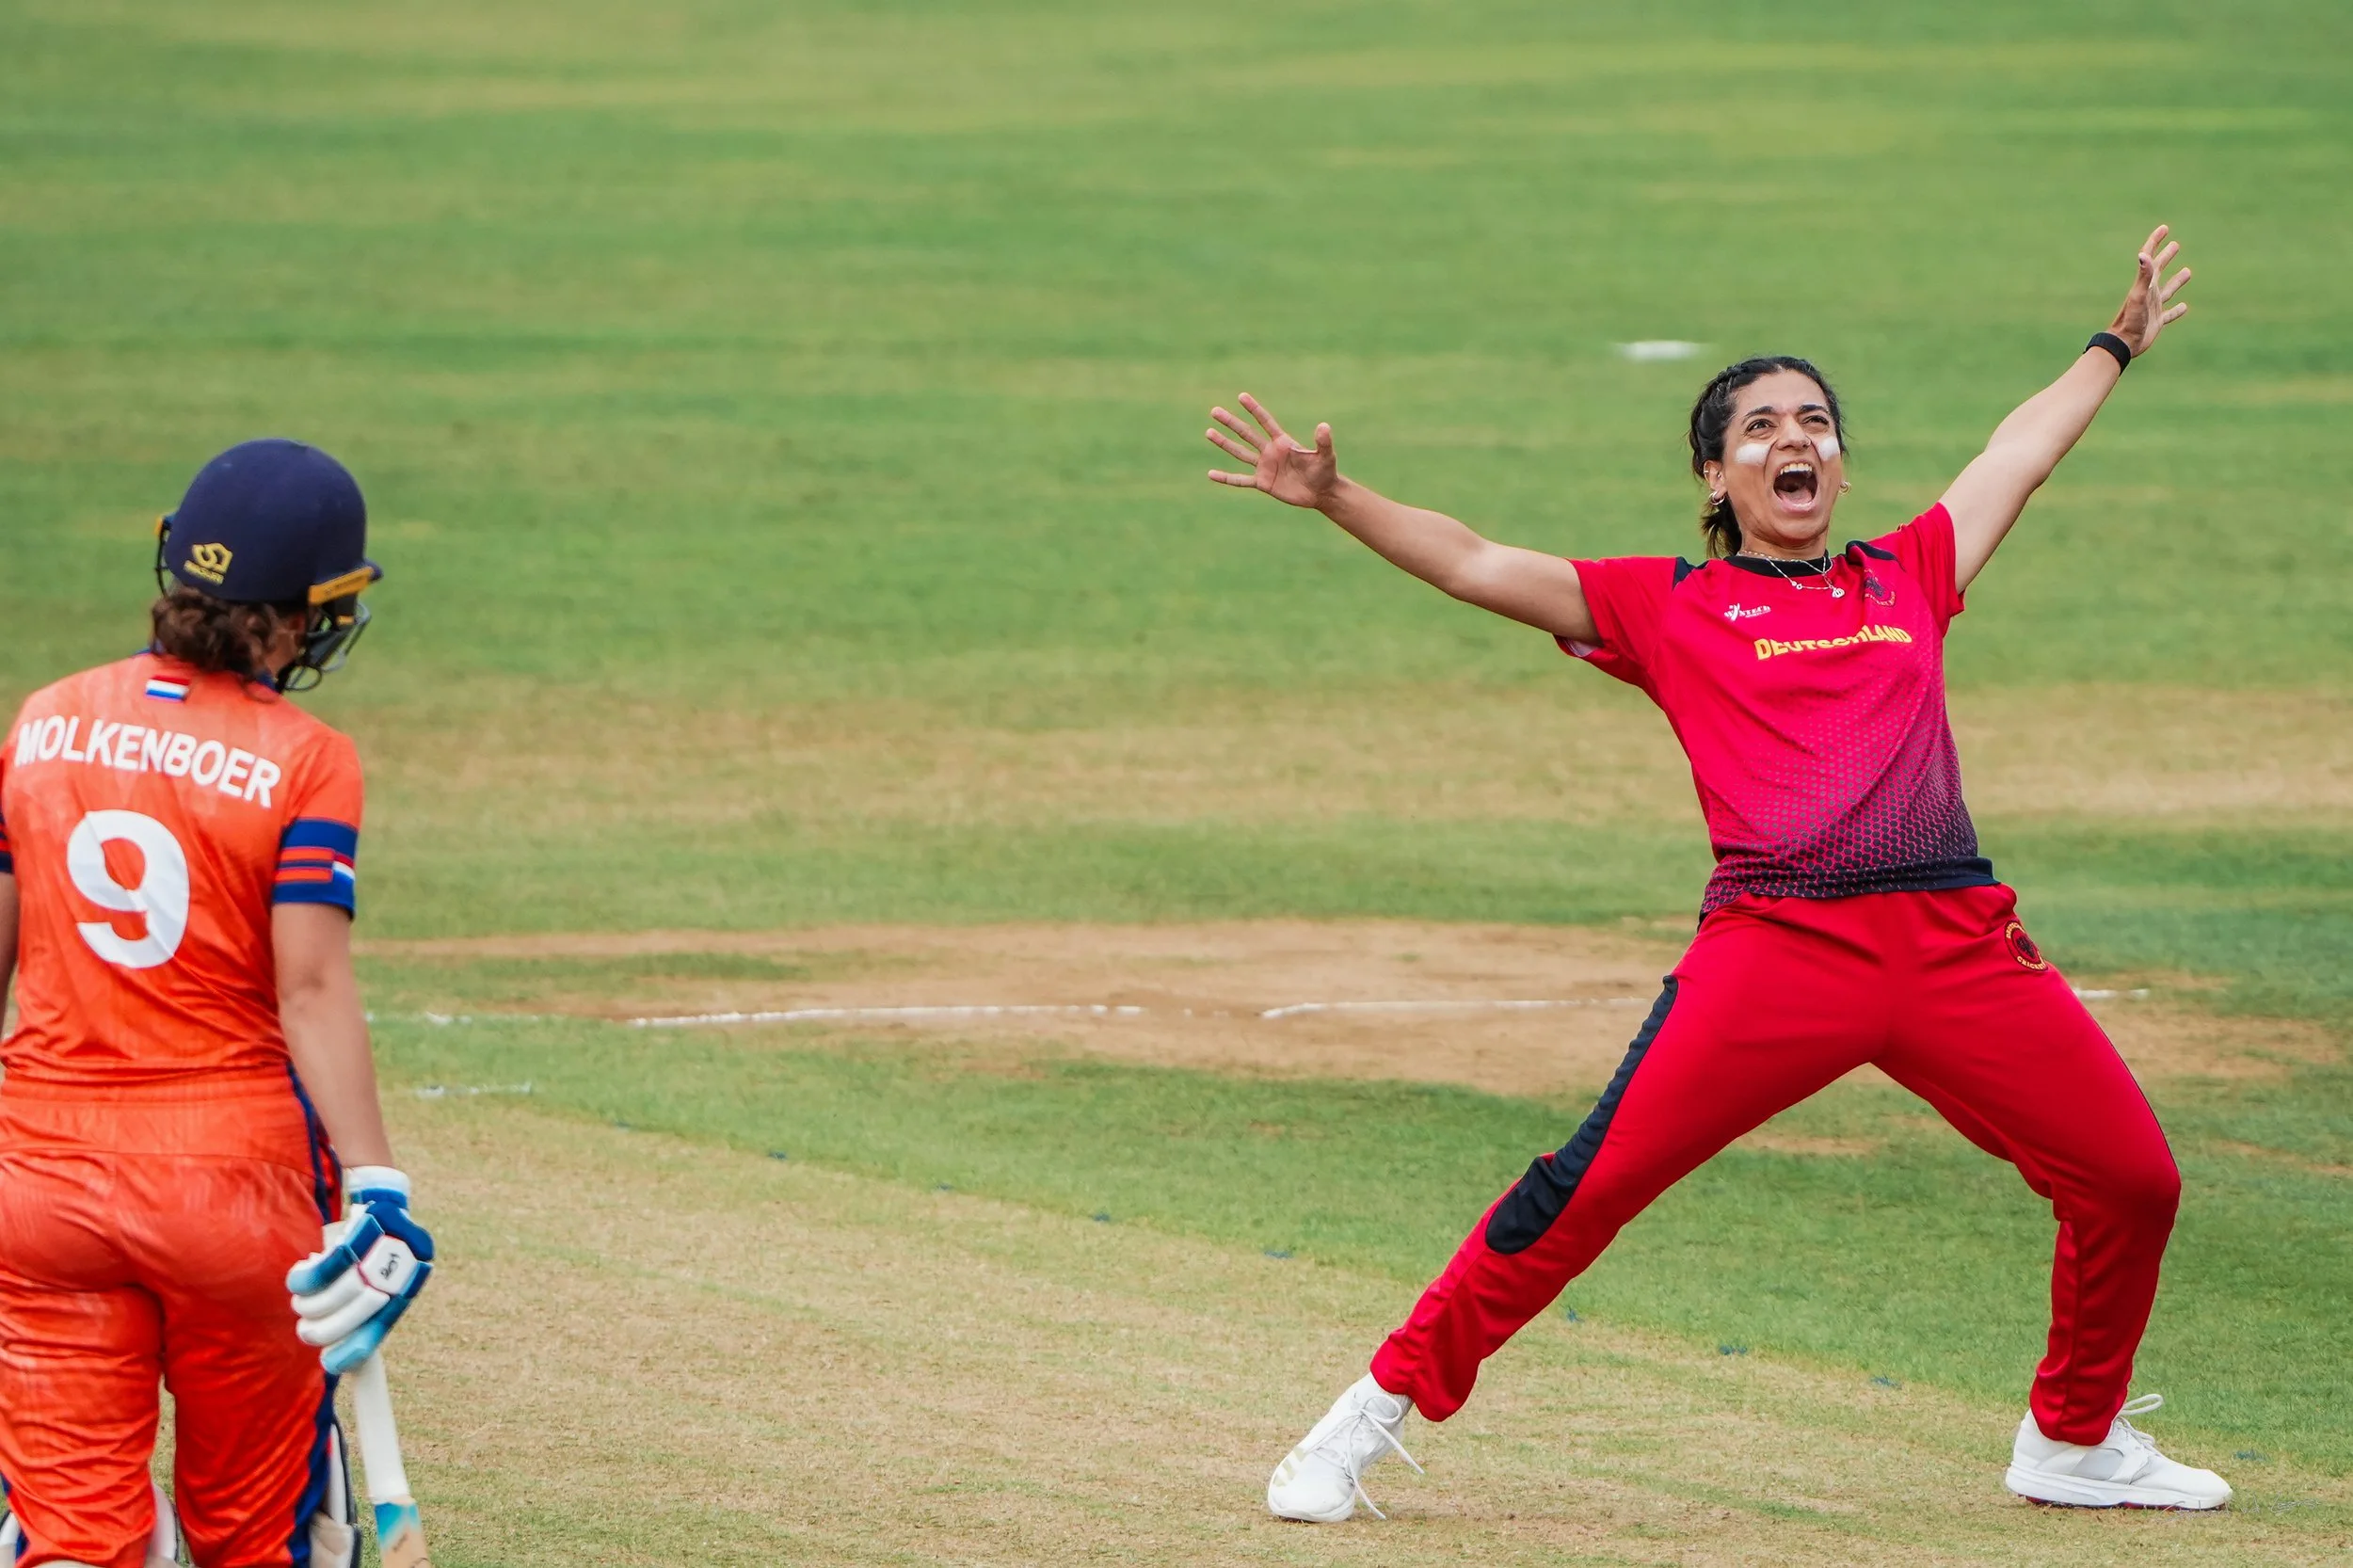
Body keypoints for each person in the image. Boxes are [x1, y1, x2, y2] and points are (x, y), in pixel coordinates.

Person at [1206, 228, 2230, 1518]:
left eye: (1814, 421)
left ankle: (2073, 1440)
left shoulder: (1909, 571)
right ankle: (1361, 1421)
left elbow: (2016, 451)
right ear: (1715, 468)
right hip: (1777, 951)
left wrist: (2114, 344)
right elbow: (1476, 561)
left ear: (1839, 460)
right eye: (1758, 426)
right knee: (1585, 1188)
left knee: (2133, 1179)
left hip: (1958, 942)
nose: (1791, 440)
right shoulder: (1667, 604)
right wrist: (1338, 497)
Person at [0, 440, 434, 1568]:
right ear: (299, 618)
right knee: (255, 1536)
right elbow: (310, 982)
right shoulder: (305, 757)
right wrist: (378, 1183)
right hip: (235, 1194)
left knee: (72, 1543)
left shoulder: (44, 720)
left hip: (36, 1187)